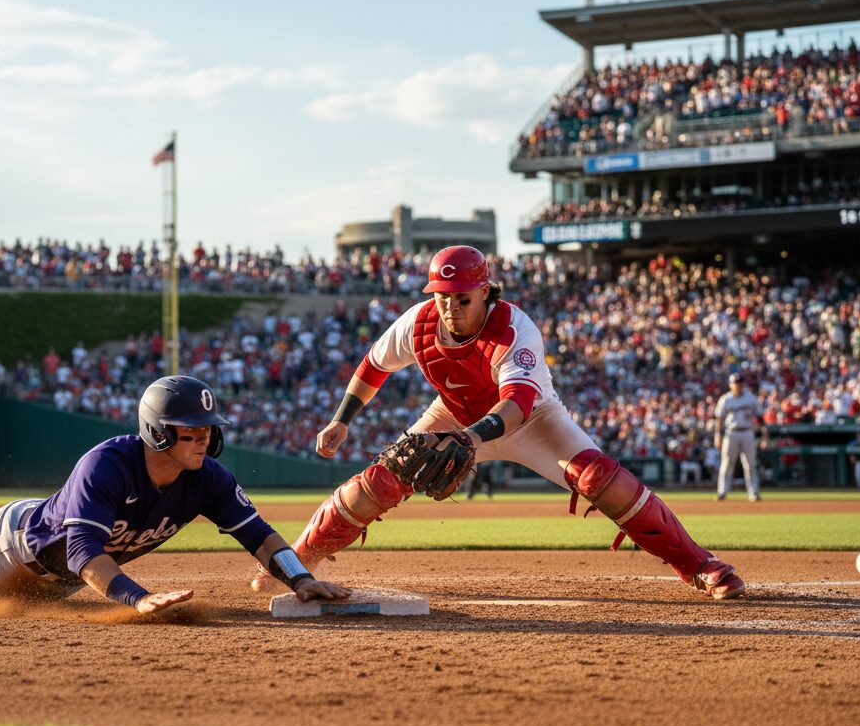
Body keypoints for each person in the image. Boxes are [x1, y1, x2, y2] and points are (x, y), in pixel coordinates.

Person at [255, 246, 745, 600]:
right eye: (442, 296)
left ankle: (700, 565)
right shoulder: (419, 322)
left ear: (485, 291)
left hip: (532, 421)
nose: (450, 306)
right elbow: (374, 366)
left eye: (462, 297)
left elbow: (519, 402)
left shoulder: (514, 328)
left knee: (597, 477)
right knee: (381, 479)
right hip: (455, 414)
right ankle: (295, 563)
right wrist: (341, 420)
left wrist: (468, 438)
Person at [0, 376, 350, 613]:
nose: (203, 438)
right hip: (16, 549)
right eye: (190, 430)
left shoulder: (208, 478)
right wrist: (136, 599)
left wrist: (299, 577)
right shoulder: (108, 465)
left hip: (55, 568)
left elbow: (259, 535)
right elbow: (83, 555)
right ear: (157, 432)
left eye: (207, 429)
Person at [714, 374, 762, 502]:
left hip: (747, 432)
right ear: (731, 385)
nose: (738, 385)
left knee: (750, 463)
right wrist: (717, 436)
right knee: (727, 463)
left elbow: (760, 416)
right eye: (735, 383)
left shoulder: (750, 398)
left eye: (739, 383)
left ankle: (753, 492)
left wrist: (765, 434)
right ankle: (722, 492)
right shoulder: (726, 399)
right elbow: (719, 419)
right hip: (731, 433)